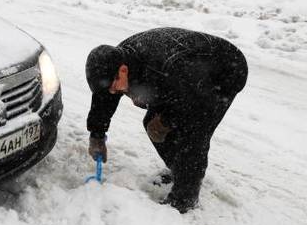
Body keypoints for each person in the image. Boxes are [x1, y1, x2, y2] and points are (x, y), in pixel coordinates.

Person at [85, 27, 248, 213]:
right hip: (181, 80)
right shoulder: (114, 64)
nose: (113, 92)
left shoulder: (165, 68)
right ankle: (178, 171)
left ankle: (185, 197)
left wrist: (166, 121)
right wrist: (97, 135)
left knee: (192, 134)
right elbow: (104, 98)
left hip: (224, 70)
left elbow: (195, 103)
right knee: (152, 124)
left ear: (122, 71)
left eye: (114, 87)